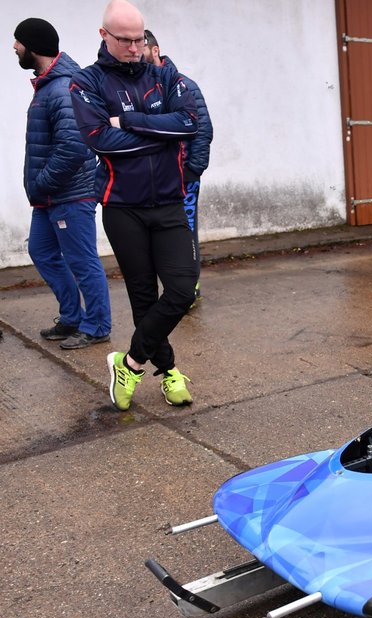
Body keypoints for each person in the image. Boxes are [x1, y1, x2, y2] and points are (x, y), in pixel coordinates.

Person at [70, 0, 198, 410]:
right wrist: (163, 133)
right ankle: (169, 371)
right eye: (124, 39)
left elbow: (189, 124)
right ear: (104, 35)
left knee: (180, 290)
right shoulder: (85, 82)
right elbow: (99, 140)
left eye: (139, 38)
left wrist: (125, 122)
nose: (133, 47)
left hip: (168, 203)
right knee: (143, 297)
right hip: (122, 206)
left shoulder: (165, 76)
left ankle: (129, 362)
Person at [14, 17, 112, 350]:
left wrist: (41, 183)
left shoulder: (62, 87)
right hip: (50, 195)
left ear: (34, 47)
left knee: (82, 261)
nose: (14, 47)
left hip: (70, 193)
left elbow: (74, 147)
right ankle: (72, 317)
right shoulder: (47, 84)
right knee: (40, 251)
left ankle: (97, 325)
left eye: (19, 41)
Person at [142, 28, 212, 307]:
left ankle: (190, 291)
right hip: (154, 179)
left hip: (185, 177)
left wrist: (192, 170)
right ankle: (173, 289)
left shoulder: (184, 85)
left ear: (155, 49)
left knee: (186, 231)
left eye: (141, 46)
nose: (135, 54)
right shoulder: (141, 88)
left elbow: (203, 130)